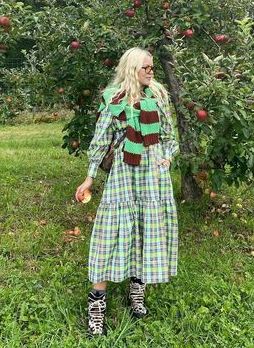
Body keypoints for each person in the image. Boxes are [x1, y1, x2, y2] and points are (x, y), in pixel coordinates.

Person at [75, 47, 179, 337]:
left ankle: (136, 292)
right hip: (124, 176)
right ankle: (96, 308)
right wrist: (89, 179)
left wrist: (167, 157)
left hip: (153, 179)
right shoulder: (115, 101)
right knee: (109, 236)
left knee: (144, 231)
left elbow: (170, 136)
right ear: (132, 69)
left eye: (153, 68)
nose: (151, 72)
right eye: (146, 68)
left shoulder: (157, 97)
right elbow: (100, 141)